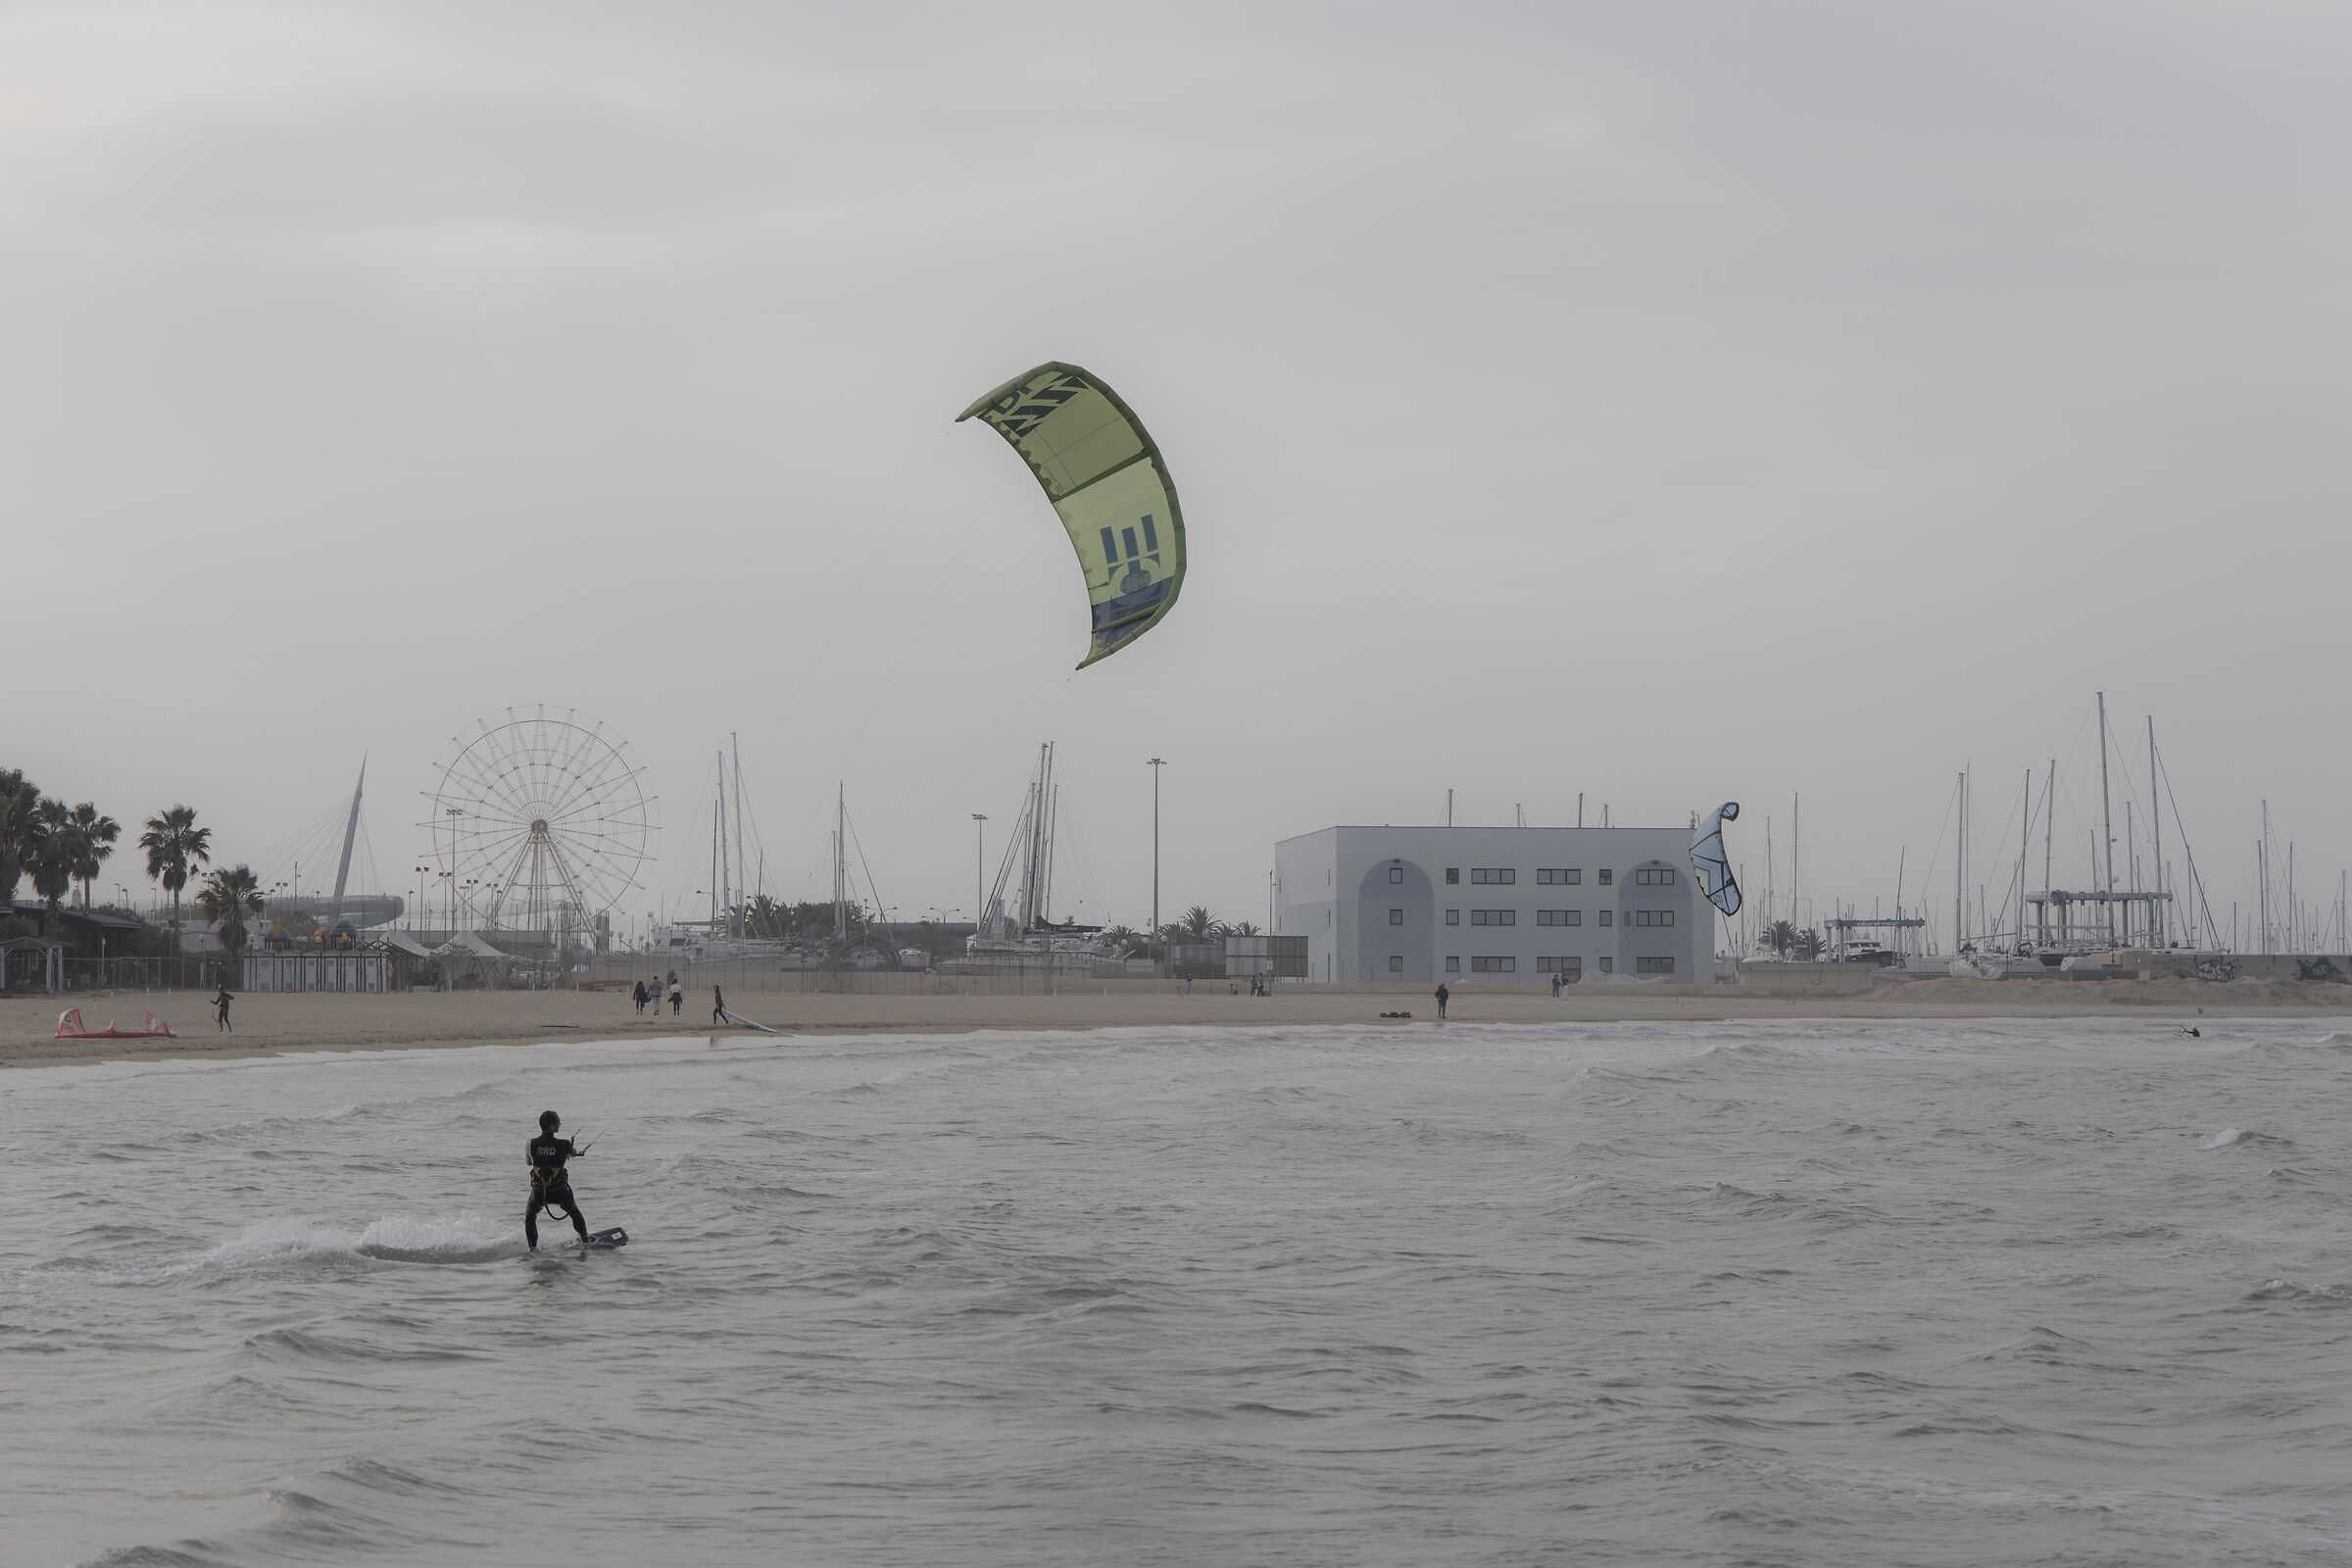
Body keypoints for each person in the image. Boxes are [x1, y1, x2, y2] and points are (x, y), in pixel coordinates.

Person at [524, 1109, 591, 1250]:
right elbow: (573, 1154)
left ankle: (532, 1249)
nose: (560, 1123)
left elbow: (529, 1163)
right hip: (559, 1192)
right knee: (574, 1212)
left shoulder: (531, 1143)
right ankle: (585, 1241)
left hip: (538, 1193)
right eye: (558, 1122)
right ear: (552, 1127)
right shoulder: (565, 1144)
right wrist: (569, 1149)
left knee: (530, 1216)